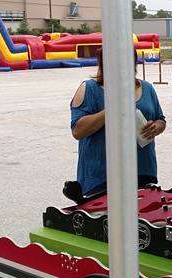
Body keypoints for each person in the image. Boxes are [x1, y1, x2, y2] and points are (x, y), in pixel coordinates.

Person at [71, 49, 166, 195]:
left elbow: (161, 119)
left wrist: (156, 127)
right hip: (102, 177)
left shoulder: (147, 88)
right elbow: (78, 131)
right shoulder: (89, 88)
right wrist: (110, 110)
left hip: (142, 172)